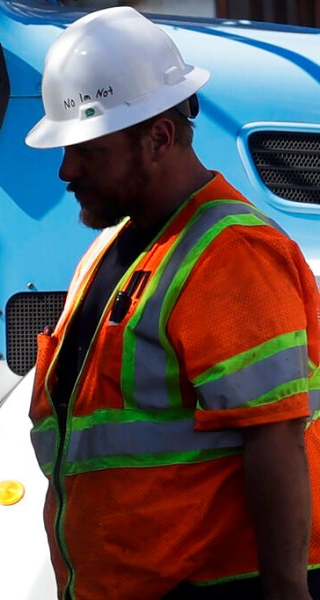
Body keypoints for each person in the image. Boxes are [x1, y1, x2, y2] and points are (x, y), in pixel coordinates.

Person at [24, 6, 320, 599]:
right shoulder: (116, 248)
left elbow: (276, 437)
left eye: (88, 149)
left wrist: (286, 591)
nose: (65, 169)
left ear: (158, 137)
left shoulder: (230, 254)